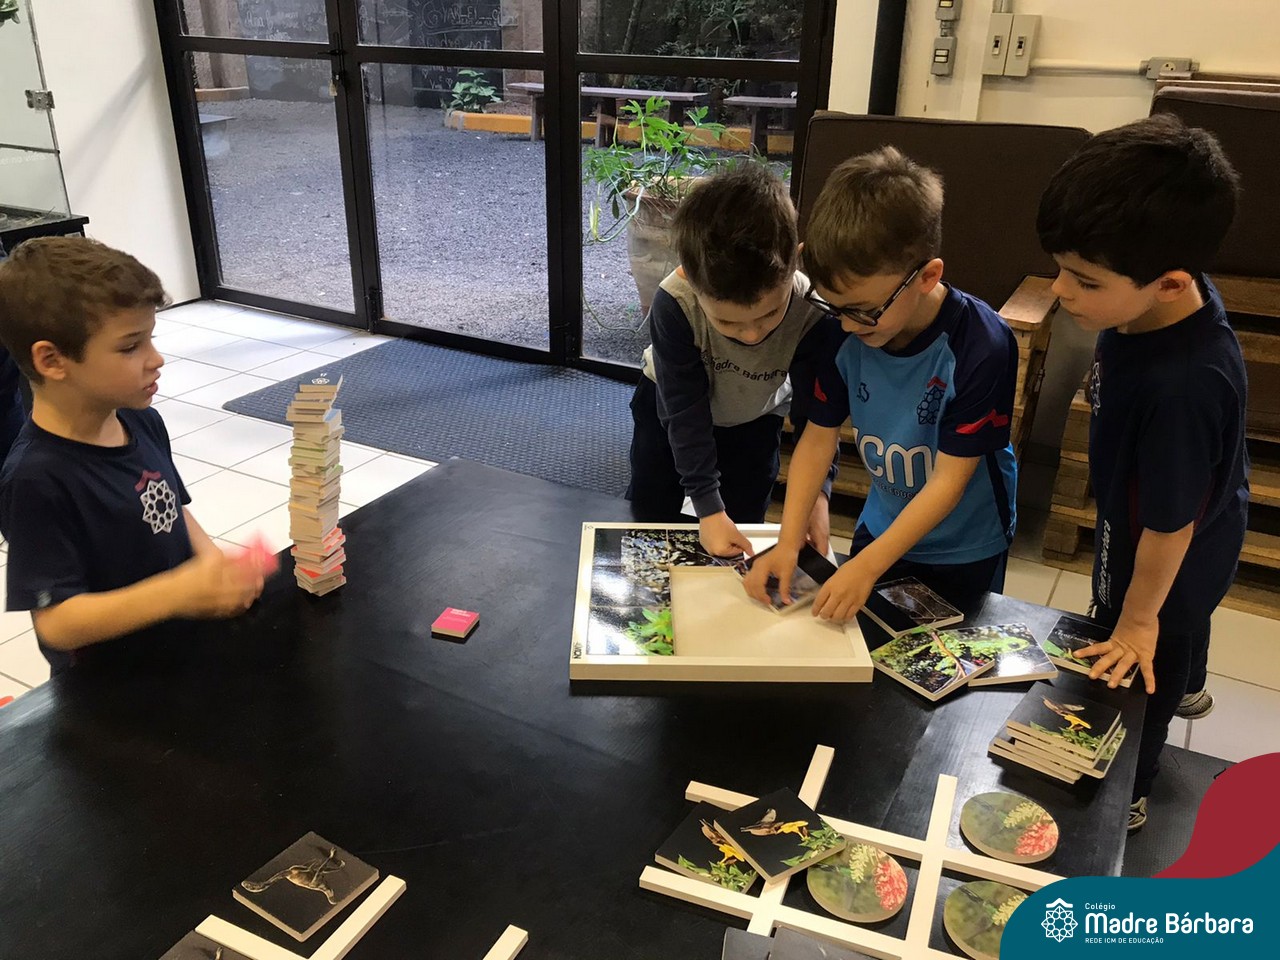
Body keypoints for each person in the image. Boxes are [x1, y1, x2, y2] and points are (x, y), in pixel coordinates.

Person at [1036, 114, 1247, 831]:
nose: (1061, 290)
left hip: (1168, 547)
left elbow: (1170, 525)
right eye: (1061, 267)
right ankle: (1188, 678)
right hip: (1176, 503)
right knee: (1178, 630)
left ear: (1171, 282)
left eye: (1084, 280)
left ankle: (1133, 785)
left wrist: (1134, 620)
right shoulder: (1154, 301)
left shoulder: (1183, 385)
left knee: (1147, 656)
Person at [744, 146, 1017, 619]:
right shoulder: (838, 330)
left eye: (866, 311)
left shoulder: (982, 345)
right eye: (835, 307)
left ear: (927, 276)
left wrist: (867, 566)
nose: (849, 325)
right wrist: (788, 542)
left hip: (965, 545)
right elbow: (817, 438)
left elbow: (949, 482)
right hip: (883, 523)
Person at [0, 236, 270, 674]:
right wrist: (176, 593)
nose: (156, 359)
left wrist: (214, 565)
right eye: (130, 346)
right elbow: (57, 623)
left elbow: (173, 508)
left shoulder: (141, 421)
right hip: (110, 685)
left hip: (177, 654)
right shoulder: (36, 479)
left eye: (151, 339)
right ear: (51, 360)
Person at [626, 162, 844, 558]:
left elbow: (818, 418)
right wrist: (708, 507)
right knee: (651, 519)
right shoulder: (674, 304)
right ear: (688, 275)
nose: (752, 335)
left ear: (795, 262)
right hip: (668, 413)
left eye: (769, 314)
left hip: (754, 421)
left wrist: (818, 492)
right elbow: (684, 413)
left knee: (743, 526)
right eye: (727, 321)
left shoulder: (814, 314)